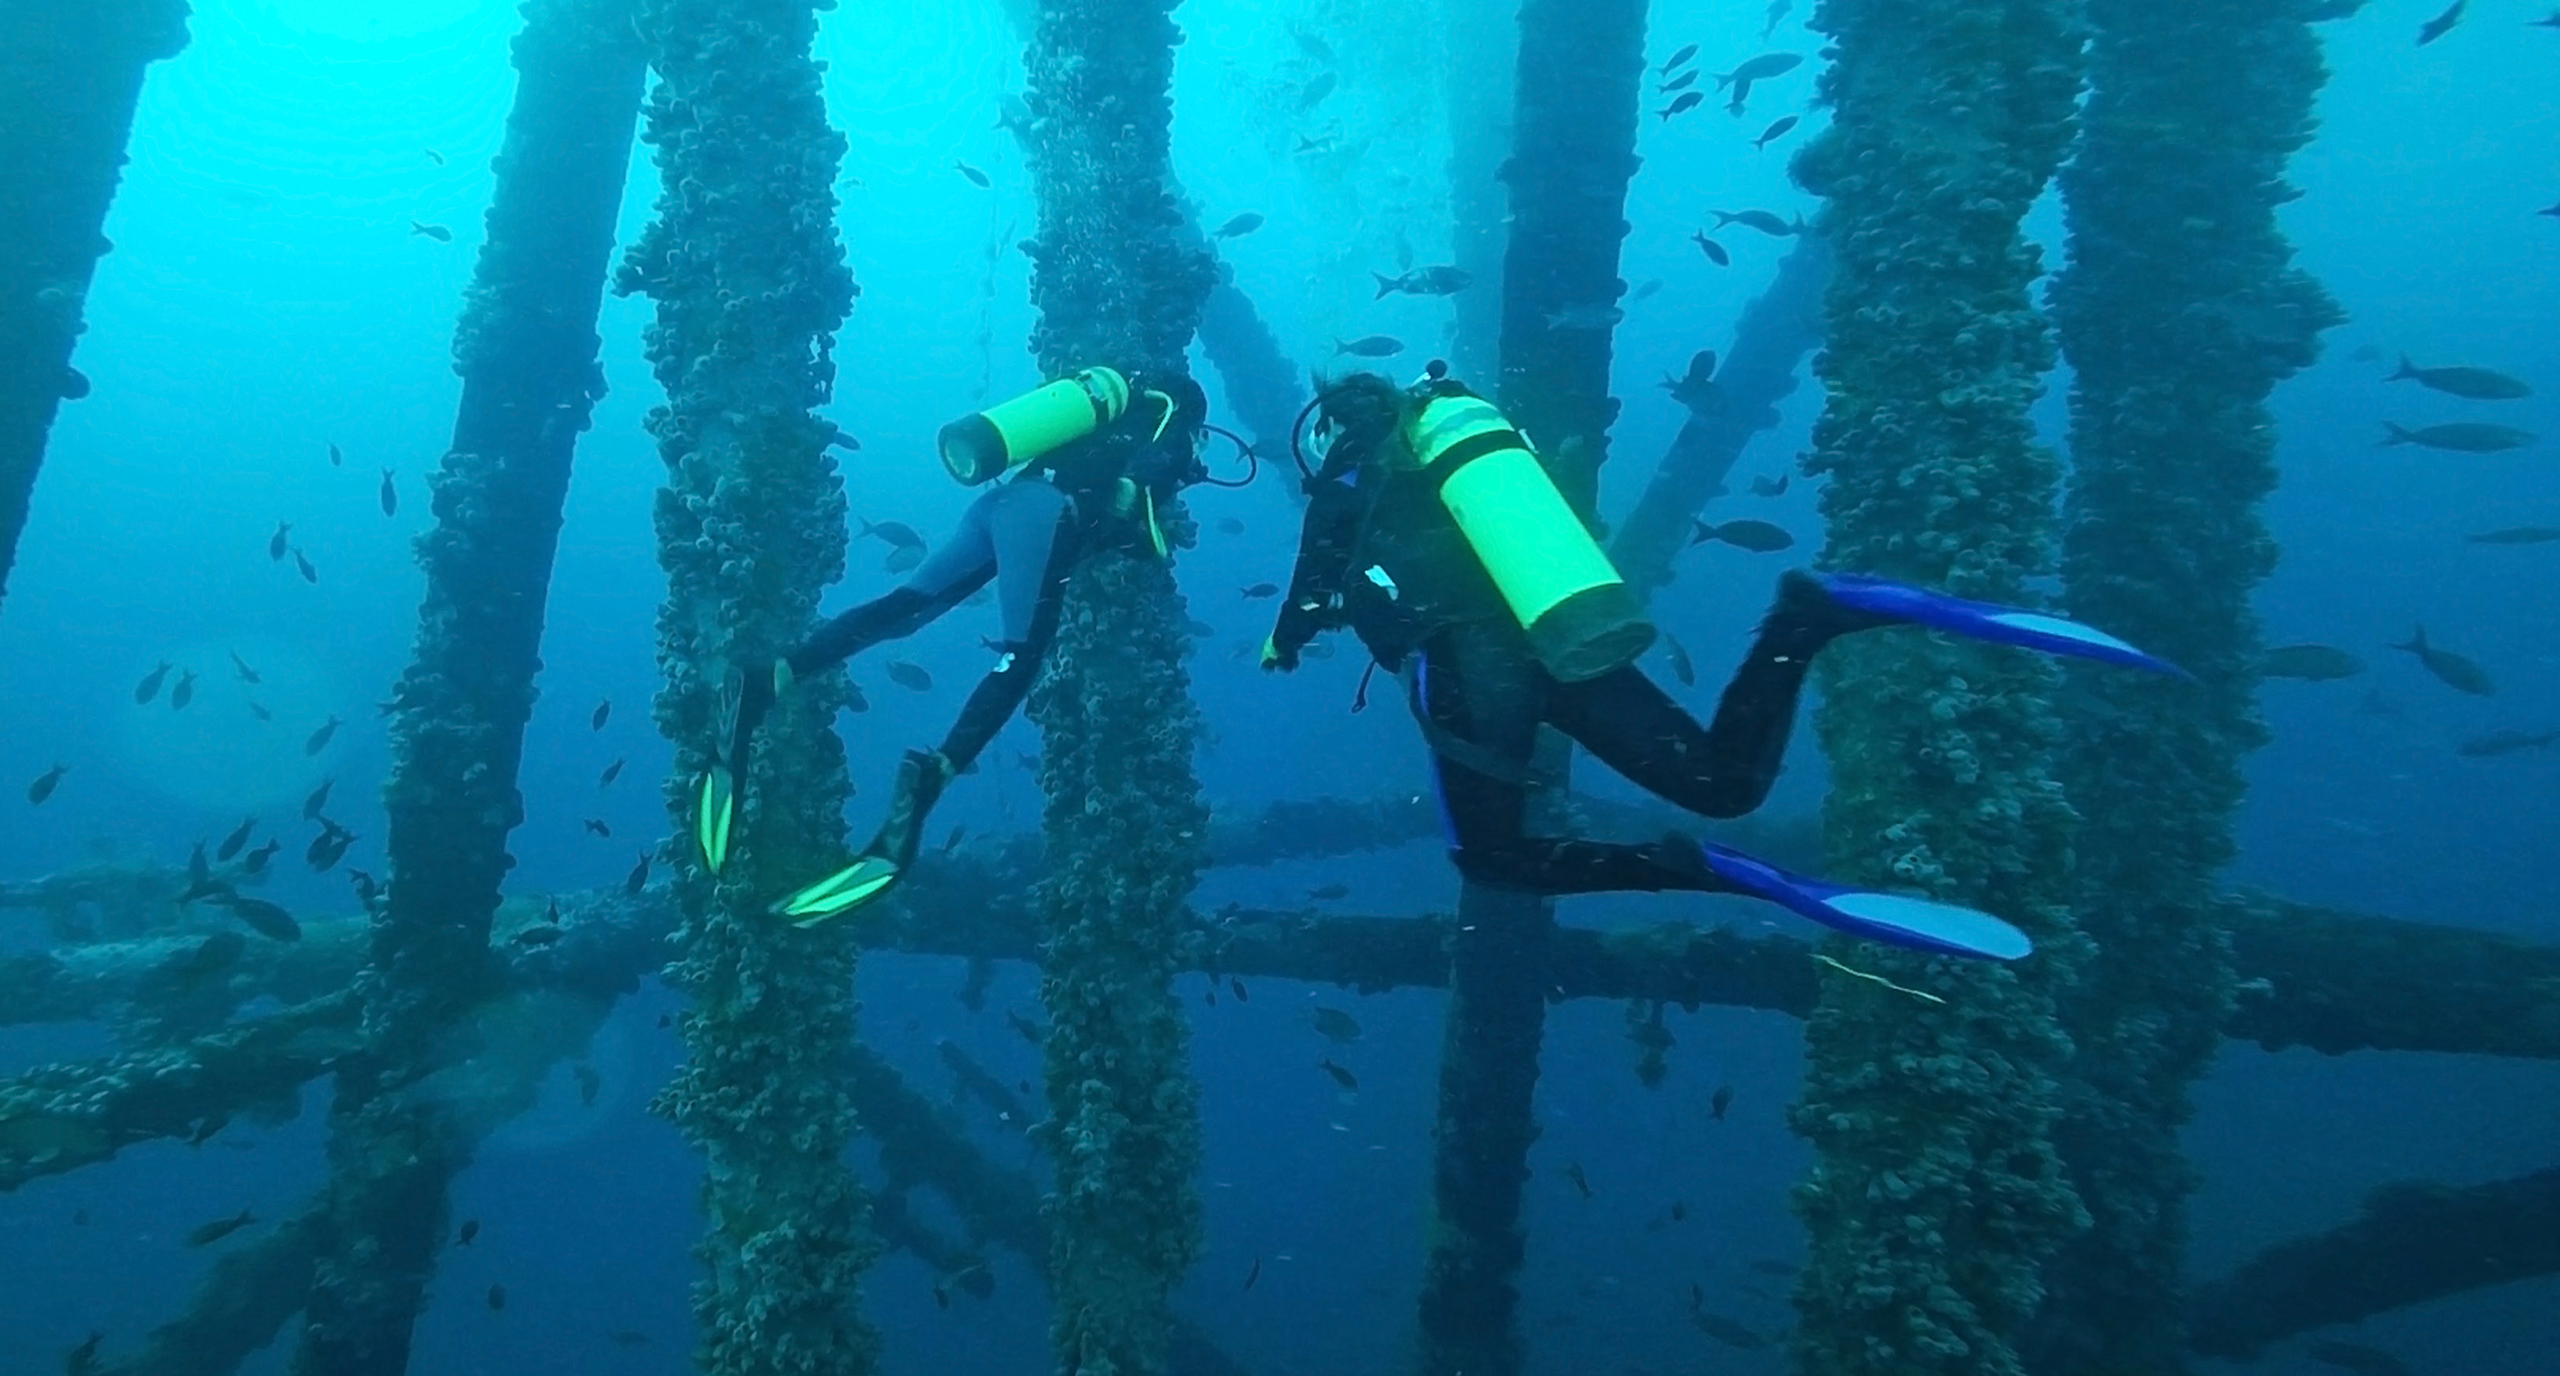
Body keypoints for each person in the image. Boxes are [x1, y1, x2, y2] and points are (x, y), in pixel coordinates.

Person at [1261, 366, 2183, 960]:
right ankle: (1811, 616)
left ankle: (1711, 872)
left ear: (1333, 426)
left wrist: (1288, 637)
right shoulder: (1458, 456)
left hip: (1466, 662)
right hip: (1552, 636)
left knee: (1497, 858)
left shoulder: (1355, 470)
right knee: (1719, 776)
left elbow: (1313, 581)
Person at [697, 366, 1216, 924]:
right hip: (1044, 518)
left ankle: (767, 680)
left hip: (1000, 505)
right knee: (1020, 658)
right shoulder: (1170, 434)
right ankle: (935, 775)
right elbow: (1133, 508)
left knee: (907, 608)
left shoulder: (1100, 420)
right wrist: (1158, 507)